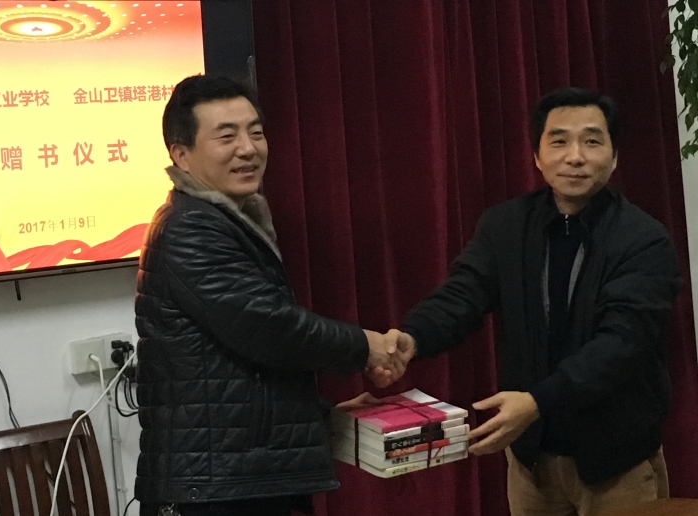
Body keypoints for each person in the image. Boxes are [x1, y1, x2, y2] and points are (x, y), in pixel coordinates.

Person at [388, 87, 682, 516]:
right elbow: (463, 293)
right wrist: (412, 338)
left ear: (615, 156)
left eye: (592, 141)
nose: (575, 156)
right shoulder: (505, 225)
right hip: (532, 462)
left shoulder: (645, 240)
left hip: (616, 460)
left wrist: (537, 401)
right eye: (559, 141)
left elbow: (621, 344)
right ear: (537, 156)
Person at [134, 74, 411, 516]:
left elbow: (240, 369)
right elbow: (269, 327)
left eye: (256, 132)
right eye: (227, 136)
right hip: (218, 490)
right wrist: (365, 346)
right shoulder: (190, 228)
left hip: (238, 477)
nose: (248, 149)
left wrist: (321, 415)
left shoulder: (228, 218)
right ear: (181, 155)